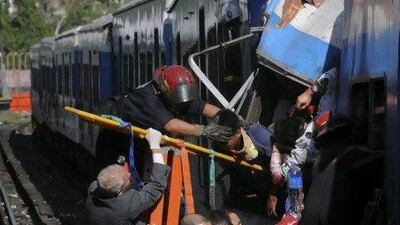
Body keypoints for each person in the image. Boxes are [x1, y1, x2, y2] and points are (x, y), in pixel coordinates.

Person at [87, 128, 170, 225]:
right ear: (119, 192)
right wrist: (155, 145)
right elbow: (157, 185)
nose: (129, 174)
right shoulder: (126, 205)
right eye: (127, 178)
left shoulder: (93, 188)